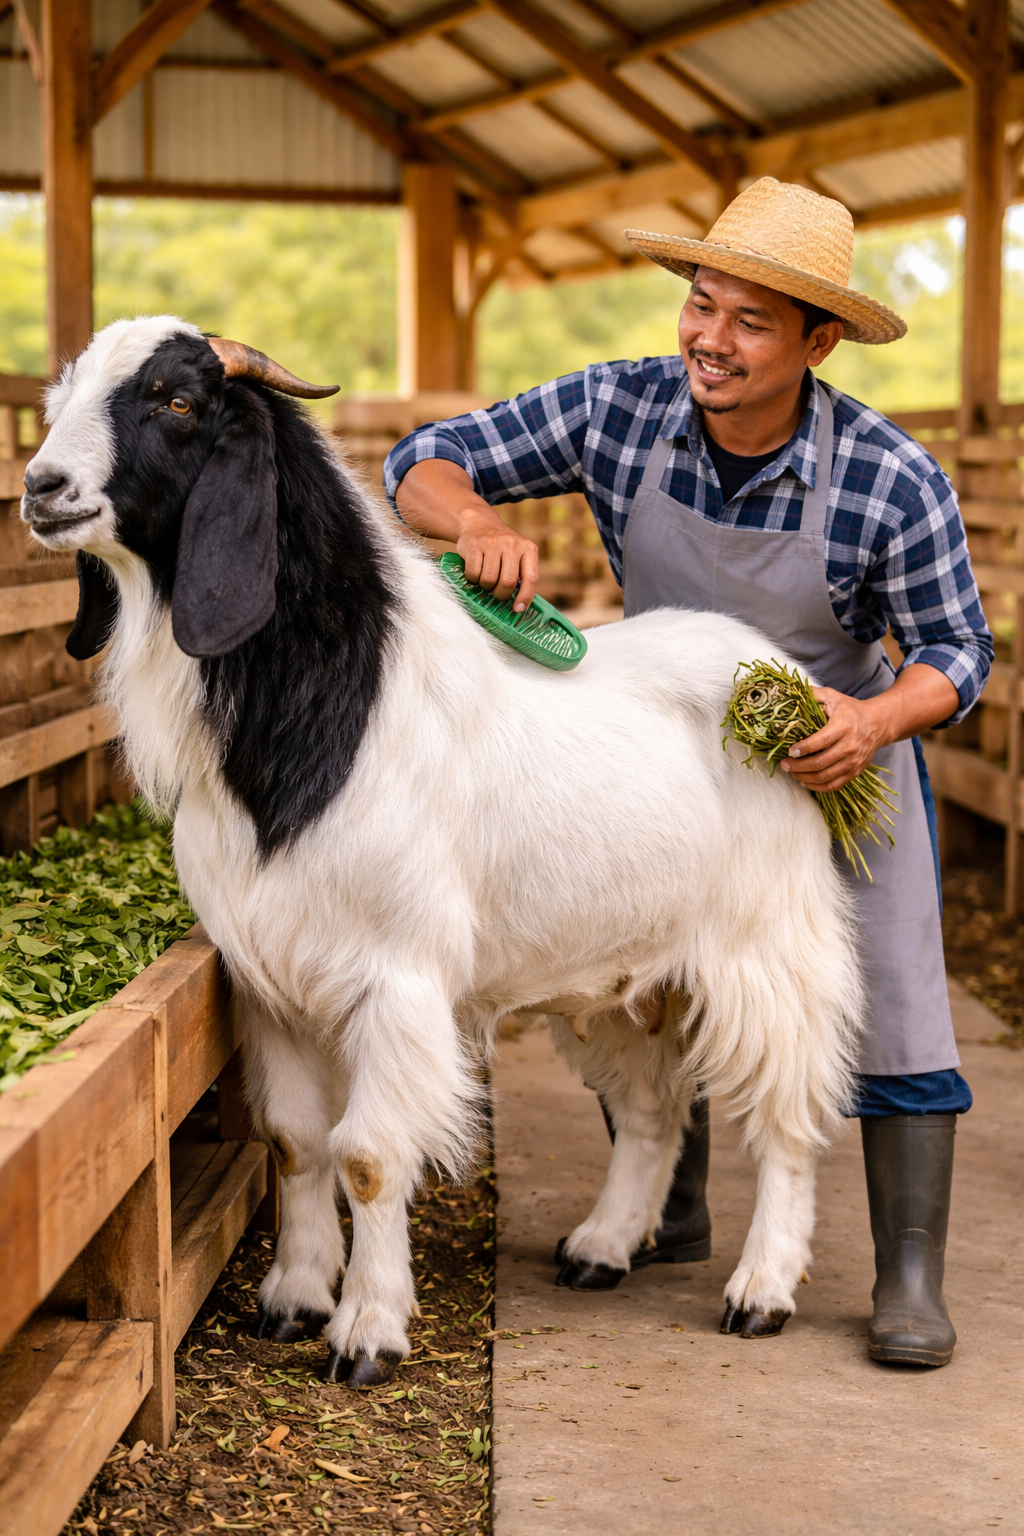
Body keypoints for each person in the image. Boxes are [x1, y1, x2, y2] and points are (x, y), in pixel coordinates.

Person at [383, 177, 993, 1369]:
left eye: (750, 322)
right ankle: (669, 1206)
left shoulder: (888, 475)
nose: (710, 340)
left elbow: (957, 653)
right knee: (630, 968)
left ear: (818, 342)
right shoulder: (621, 407)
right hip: (661, 736)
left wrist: (870, 724)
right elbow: (426, 457)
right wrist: (465, 520)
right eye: (701, 306)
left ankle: (906, 1278)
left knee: (891, 1001)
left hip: (829, 751)